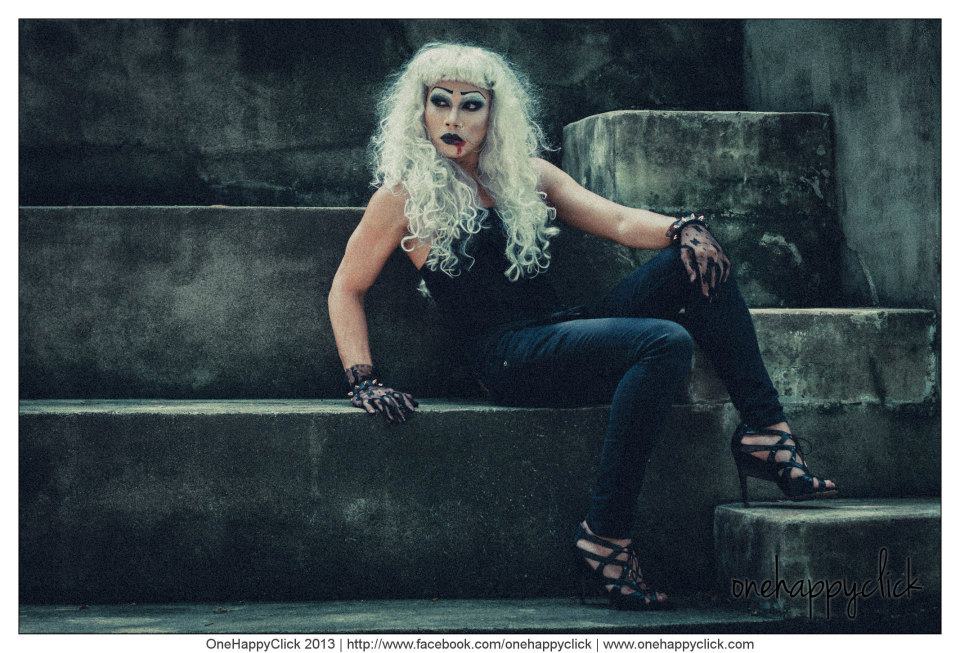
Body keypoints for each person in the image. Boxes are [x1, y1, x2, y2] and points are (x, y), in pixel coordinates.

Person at [327, 42, 837, 611]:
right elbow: (346, 288)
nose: (453, 119)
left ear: (493, 114)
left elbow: (617, 221)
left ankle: (765, 429)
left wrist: (684, 227)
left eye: (471, 105)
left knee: (698, 256)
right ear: (420, 110)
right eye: (440, 102)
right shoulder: (402, 197)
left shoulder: (527, 175)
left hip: (560, 332)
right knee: (665, 341)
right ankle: (605, 534)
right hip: (507, 360)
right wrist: (364, 379)